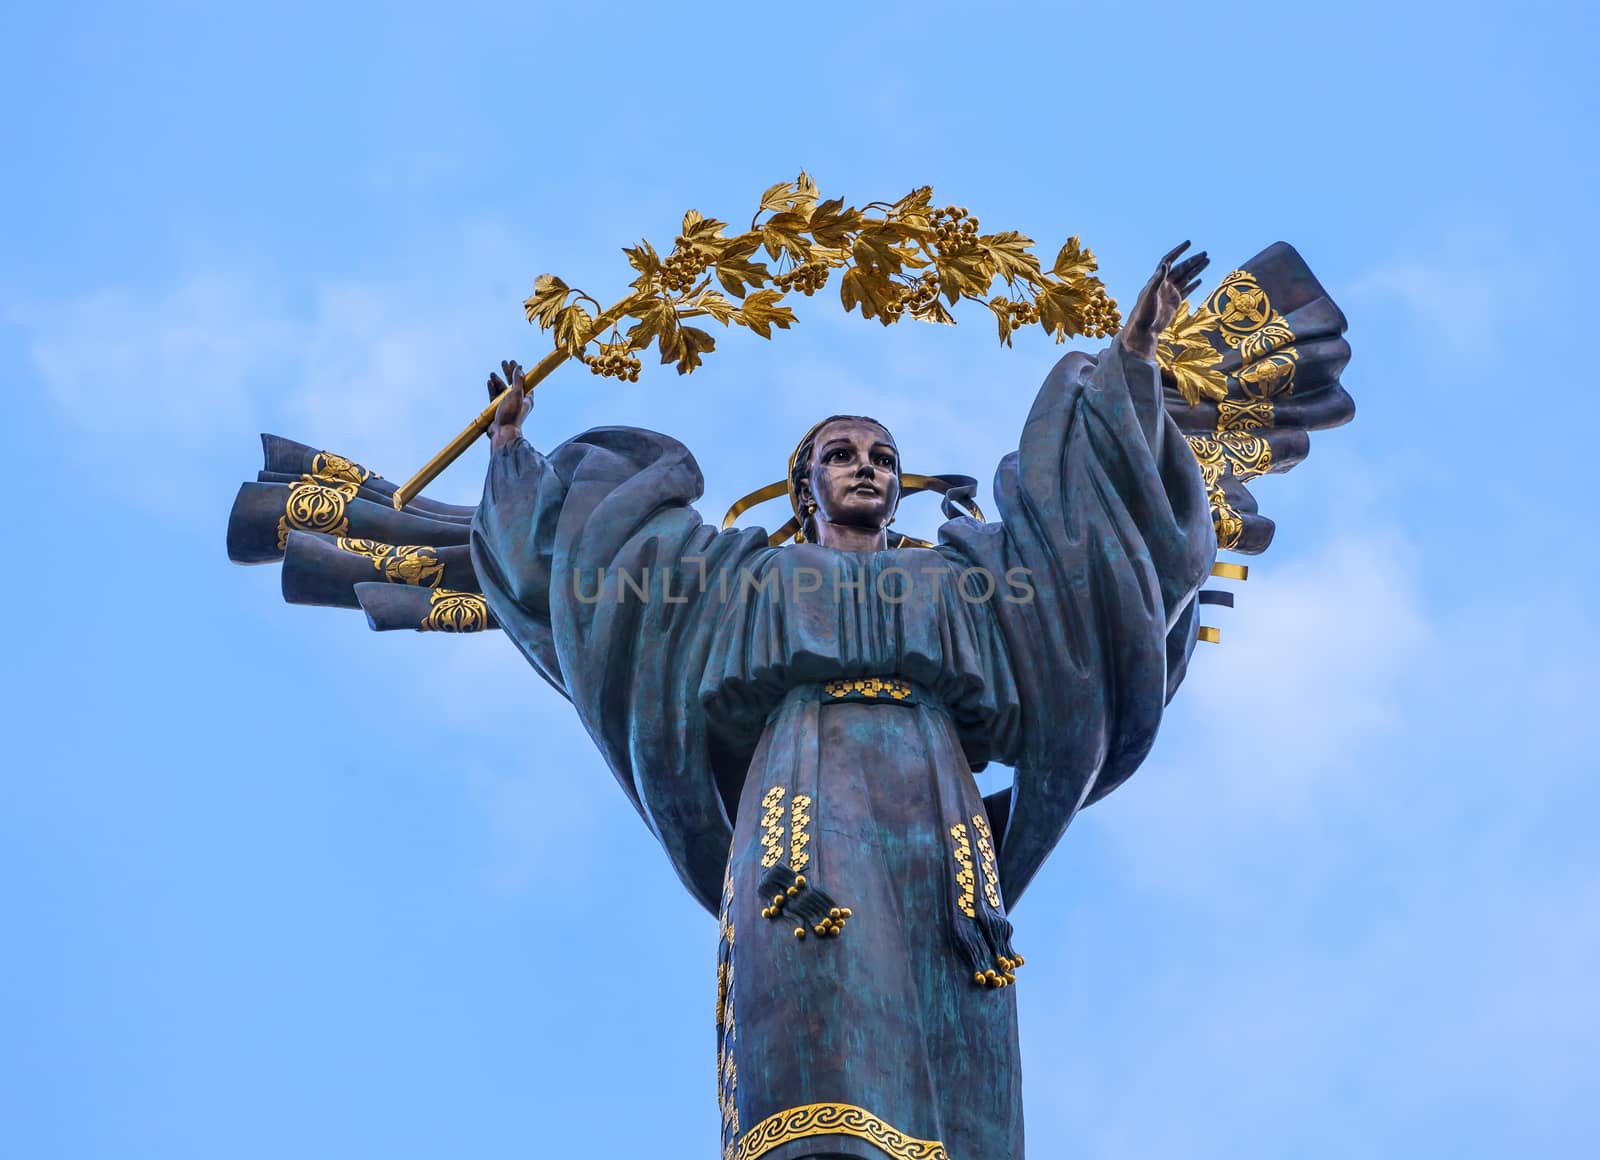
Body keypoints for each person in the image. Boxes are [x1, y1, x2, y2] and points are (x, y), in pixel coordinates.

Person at [468, 243, 1216, 1160]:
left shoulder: (968, 579)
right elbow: (592, 577)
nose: (865, 468)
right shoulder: (742, 577)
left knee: (951, 1040)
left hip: (932, 808)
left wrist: (1130, 365)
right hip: (801, 806)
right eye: (841, 455)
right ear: (805, 482)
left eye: (881, 457)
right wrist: (510, 456)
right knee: (814, 1023)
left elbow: (1089, 543)